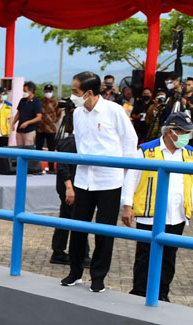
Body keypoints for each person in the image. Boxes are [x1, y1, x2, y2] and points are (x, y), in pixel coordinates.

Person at [62, 71, 140, 293]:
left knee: (104, 232)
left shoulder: (114, 111)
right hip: (84, 180)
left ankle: (98, 277)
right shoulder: (77, 113)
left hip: (109, 182)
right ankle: (74, 271)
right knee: (77, 228)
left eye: (75, 91)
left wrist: (128, 191)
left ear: (89, 92)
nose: (72, 95)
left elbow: (130, 145)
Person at [121, 112, 193, 302]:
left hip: (176, 213)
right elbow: (131, 178)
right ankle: (140, 292)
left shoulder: (190, 153)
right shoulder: (147, 150)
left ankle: (162, 294)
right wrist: (127, 205)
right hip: (149, 213)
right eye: (183, 132)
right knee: (145, 255)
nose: (187, 137)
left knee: (169, 256)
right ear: (170, 132)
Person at [49, 100, 89, 266]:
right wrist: (69, 188)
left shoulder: (73, 141)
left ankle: (59, 251)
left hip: (69, 185)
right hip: (69, 186)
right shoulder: (72, 142)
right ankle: (82, 254)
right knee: (77, 220)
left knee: (66, 217)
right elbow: (63, 166)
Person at [36, 84, 61, 172]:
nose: (48, 93)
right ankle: (37, 167)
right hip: (40, 128)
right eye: (46, 91)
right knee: (38, 148)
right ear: (44, 92)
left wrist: (52, 121)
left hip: (51, 129)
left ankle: (51, 168)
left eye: (49, 91)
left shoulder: (56, 102)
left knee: (51, 149)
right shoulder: (40, 102)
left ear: (52, 92)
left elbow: (58, 114)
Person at [12, 81, 41, 150]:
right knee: (19, 148)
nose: (24, 93)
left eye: (25, 91)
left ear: (31, 91)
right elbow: (18, 113)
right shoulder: (22, 100)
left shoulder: (36, 102)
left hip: (30, 130)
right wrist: (13, 122)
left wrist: (28, 122)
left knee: (28, 149)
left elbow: (39, 117)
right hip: (20, 129)